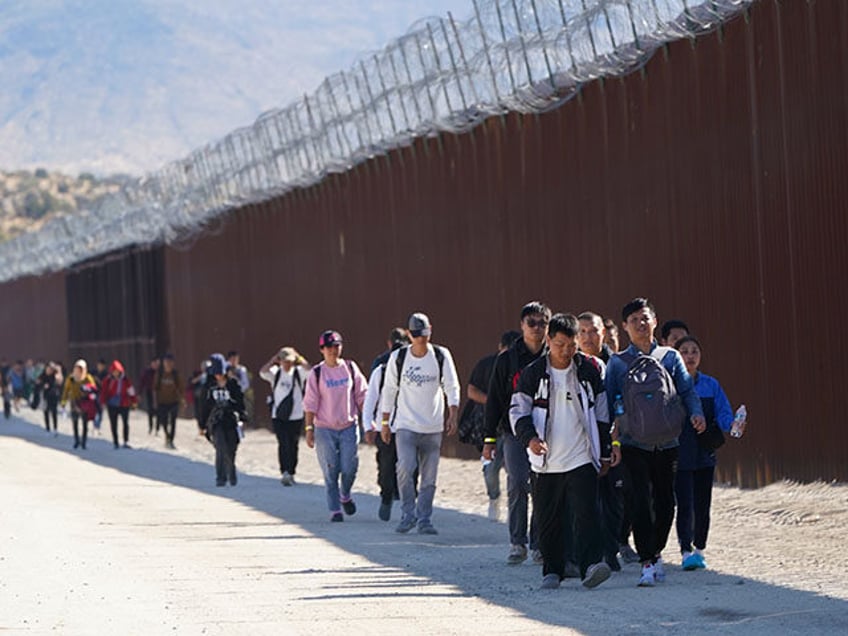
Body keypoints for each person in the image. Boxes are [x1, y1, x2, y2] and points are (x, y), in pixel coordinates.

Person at [510, 313, 617, 590]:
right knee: (549, 516)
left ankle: (591, 566)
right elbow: (517, 412)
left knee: (586, 513)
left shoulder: (588, 370)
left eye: (571, 345)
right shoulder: (533, 374)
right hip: (546, 460)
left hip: (581, 454)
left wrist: (605, 451)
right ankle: (552, 570)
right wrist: (530, 439)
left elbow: (603, 414)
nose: (566, 351)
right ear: (549, 341)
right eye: (560, 345)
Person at [605, 298, 706, 587]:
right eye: (634, 319)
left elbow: (687, 391)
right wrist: (611, 442)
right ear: (625, 326)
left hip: (668, 442)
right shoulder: (617, 362)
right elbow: (608, 404)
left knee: (665, 503)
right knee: (638, 501)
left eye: (645, 317)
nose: (640, 323)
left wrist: (696, 414)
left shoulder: (670, 357)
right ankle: (647, 561)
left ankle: (656, 550)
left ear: (654, 320)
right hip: (632, 443)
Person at [482, 301, 550, 565]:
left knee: (542, 486)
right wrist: (489, 439)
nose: (537, 328)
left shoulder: (552, 357)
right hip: (513, 433)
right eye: (531, 323)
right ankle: (517, 542)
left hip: (546, 432)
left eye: (542, 323)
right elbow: (495, 401)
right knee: (519, 482)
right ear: (522, 326)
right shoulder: (507, 359)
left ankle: (539, 544)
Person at [380, 312, 460, 535]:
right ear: (408, 334)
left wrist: (452, 414)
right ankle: (408, 514)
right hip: (405, 425)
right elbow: (389, 390)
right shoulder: (399, 358)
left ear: (430, 331)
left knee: (430, 475)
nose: (420, 339)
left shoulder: (441, 355)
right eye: (415, 335)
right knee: (405, 467)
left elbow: (452, 386)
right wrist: (385, 423)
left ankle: (424, 518)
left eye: (423, 334)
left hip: (432, 426)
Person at [578, 310, 634, 568]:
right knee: (582, 500)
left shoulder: (617, 365)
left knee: (612, 501)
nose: (588, 337)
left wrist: (614, 442)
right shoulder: (569, 364)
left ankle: (610, 554)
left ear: (605, 333)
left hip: (612, 441)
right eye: (583, 331)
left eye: (594, 331)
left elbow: (620, 407)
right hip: (577, 443)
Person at [674, 336, 735, 571]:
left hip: (704, 452)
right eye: (685, 351)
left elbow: (723, 414)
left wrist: (733, 425)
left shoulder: (711, 385)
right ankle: (685, 550)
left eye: (694, 351)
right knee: (685, 504)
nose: (690, 356)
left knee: (703, 504)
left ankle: (700, 549)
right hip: (680, 452)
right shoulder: (671, 383)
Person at [303, 330, 367, 522]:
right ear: (322, 349)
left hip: (348, 425)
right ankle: (335, 509)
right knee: (331, 469)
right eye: (329, 347)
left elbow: (362, 395)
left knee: (349, 467)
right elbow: (310, 403)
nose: (333, 350)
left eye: (336, 346)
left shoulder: (350, 368)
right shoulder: (316, 373)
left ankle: (345, 494)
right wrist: (309, 430)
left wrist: (369, 422)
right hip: (325, 428)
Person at [460, 330, 520, 521]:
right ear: (500, 348)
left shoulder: (522, 364)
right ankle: (494, 498)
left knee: (515, 471)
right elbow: (471, 391)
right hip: (491, 426)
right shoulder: (486, 364)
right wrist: (492, 402)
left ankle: (514, 509)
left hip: (514, 427)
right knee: (490, 470)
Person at [362, 328, 411, 521]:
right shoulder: (380, 370)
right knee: (386, 463)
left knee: (409, 466)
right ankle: (386, 496)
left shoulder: (412, 371)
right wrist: (369, 425)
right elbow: (370, 399)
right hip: (386, 426)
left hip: (408, 425)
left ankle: (408, 503)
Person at [259, 346, 309, 486]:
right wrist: (272, 360)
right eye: (284, 361)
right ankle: (284, 472)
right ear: (280, 361)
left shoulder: (299, 373)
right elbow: (262, 372)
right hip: (279, 415)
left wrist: (300, 358)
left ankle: (291, 471)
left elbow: (310, 370)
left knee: (293, 444)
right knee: (283, 443)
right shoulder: (276, 373)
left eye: (289, 361)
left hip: (296, 415)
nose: (287, 364)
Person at [201, 354, 246, 487]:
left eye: (221, 373)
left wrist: (242, 416)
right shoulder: (209, 386)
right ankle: (221, 477)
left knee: (231, 448)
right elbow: (204, 405)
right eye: (216, 373)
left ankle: (231, 471)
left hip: (231, 420)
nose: (219, 376)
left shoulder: (233, 384)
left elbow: (241, 403)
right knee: (220, 447)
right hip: (216, 421)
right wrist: (202, 424)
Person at [60, 359, 99, 450]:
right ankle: (76, 440)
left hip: (84, 402)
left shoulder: (87, 377)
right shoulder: (71, 378)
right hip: (74, 401)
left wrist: (87, 389)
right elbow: (66, 390)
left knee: (85, 423)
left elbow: (94, 388)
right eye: (77, 368)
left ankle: (84, 441)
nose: (79, 371)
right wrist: (63, 401)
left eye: (81, 369)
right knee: (75, 421)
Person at [100, 360, 138, 449]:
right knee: (114, 423)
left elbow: (131, 391)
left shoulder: (125, 380)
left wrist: (134, 401)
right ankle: (115, 442)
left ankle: (125, 441)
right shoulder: (108, 380)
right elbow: (104, 392)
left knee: (125, 422)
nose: (116, 373)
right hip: (112, 404)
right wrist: (103, 402)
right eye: (114, 371)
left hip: (124, 403)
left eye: (117, 371)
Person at [155, 353, 185, 449]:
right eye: (166, 362)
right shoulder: (159, 374)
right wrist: (155, 400)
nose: (168, 364)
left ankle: (171, 440)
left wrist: (182, 399)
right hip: (162, 401)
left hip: (173, 401)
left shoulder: (176, 375)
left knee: (173, 421)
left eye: (170, 362)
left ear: (173, 363)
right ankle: (167, 436)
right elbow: (155, 387)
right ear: (163, 363)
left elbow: (181, 387)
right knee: (164, 421)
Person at [36, 362, 63, 435]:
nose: (49, 370)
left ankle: (55, 428)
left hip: (54, 395)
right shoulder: (43, 375)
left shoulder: (55, 375)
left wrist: (59, 372)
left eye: (51, 369)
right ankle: (47, 428)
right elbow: (37, 383)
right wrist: (43, 385)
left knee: (54, 412)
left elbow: (60, 382)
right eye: (48, 368)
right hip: (46, 396)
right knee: (46, 412)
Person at [138, 357, 160, 434]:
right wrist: (139, 393)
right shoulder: (147, 372)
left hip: (158, 392)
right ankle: (151, 426)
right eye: (154, 363)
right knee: (150, 410)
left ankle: (157, 428)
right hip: (149, 391)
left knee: (159, 410)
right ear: (151, 363)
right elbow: (142, 382)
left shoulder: (160, 372)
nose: (155, 365)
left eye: (157, 364)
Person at [92, 358, 109, 434]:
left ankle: (98, 426)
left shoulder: (106, 374)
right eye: (99, 365)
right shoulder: (93, 372)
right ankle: (95, 425)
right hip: (93, 392)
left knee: (100, 410)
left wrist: (98, 380)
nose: (100, 367)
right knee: (94, 409)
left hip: (101, 393)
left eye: (102, 365)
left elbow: (105, 385)